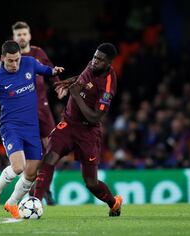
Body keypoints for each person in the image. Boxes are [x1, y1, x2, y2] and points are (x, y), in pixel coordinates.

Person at [0, 40, 64, 218]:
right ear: (2, 58)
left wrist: (53, 71)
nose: (14, 64)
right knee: (18, 166)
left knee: (32, 172)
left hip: (31, 127)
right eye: (10, 60)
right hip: (10, 127)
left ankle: (12, 203)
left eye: (17, 60)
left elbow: (44, 70)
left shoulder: (29, 63)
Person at [34, 43, 123, 216]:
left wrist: (75, 95)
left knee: (91, 182)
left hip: (88, 132)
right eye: (95, 56)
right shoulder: (91, 65)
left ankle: (114, 203)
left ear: (109, 63)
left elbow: (95, 117)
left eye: (100, 60)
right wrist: (70, 82)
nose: (94, 61)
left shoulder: (108, 85)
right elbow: (83, 80)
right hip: (68, 123)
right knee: (49, 157)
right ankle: (35, 201)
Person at [12, 21, 64, 205]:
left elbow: (51, 72)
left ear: (30, 36)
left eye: (24, 34)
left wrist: (58, 87)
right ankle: (30, 190)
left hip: (42, 109)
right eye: (18, 34)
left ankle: (44, 188)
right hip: (21, 113)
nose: (22, 37)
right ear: (14, 37)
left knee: (51, 150)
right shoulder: (9, 57)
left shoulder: (38, 53)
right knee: (29, 156)